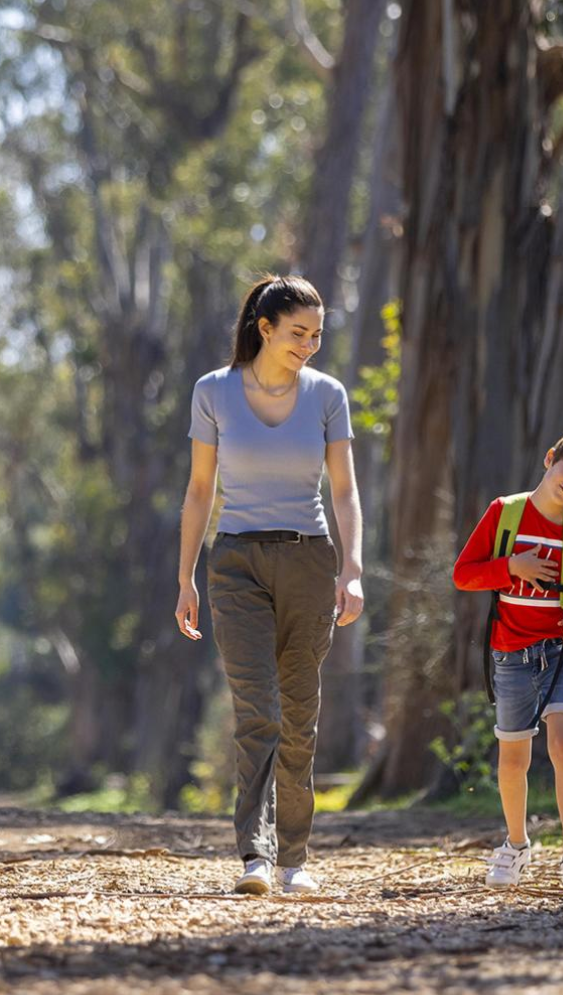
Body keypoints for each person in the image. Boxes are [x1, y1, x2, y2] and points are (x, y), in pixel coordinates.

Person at [175, 274, 364, 896]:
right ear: (264, 327)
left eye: (316, 334)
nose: (309, 345)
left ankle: (294, 860)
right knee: (258, 709)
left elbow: (343, 489)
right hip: (235, 564)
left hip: (309, 561)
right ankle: (255, 856)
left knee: (300, 715)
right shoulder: (213, 392)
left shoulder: (327, 394)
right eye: (297, 333)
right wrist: (185, 577)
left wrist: (352, 568)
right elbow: (201, 490)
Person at [451, 432, 563, 890]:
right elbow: (463, 574)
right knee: (513, 759)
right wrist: (511, 568)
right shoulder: (504, 513)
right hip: (510, 653)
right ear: (549, 460)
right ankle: (516, 845)